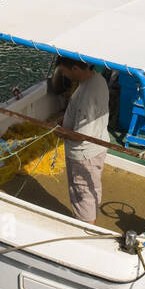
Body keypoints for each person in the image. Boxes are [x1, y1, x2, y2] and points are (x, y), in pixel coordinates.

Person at [56, 57, 110, 224]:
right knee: (91, 186)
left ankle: (86, 227)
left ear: (75, 69)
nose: (63, 75)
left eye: (64, 71)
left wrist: (60, 131)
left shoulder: (87, 97)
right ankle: (88, 218)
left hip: (84, 154)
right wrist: (65, 121)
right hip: (98, 146)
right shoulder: (98, 80)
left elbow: (81, 136)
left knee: (83, 191)